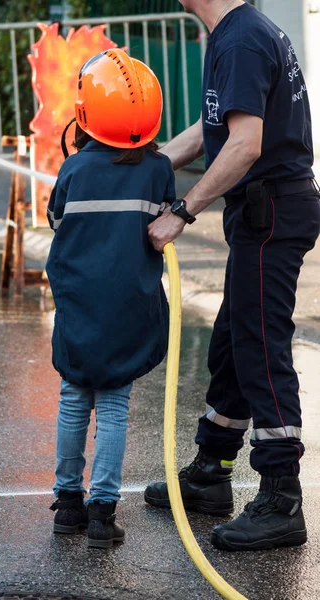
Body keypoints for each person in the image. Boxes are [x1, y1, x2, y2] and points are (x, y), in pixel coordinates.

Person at [144, 0, 320, 551]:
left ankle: (281, 498)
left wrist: (183, 210)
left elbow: (245, 144)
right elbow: (214, 128)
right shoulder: (234, 32)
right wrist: (148, 166)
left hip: (272, 211)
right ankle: (212, 471)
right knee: (231, 341)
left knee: (261, 345)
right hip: (263, 213)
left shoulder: (241, 38)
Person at [45, 49, 174, 549]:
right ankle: (103, 513)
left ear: (86, 113)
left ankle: (67, 505)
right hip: (129, 306)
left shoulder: (74, 170)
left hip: (80, 305)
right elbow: (163, 225)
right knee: (115, 406)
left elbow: (58, 223)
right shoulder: (158, 169)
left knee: (73, 399)